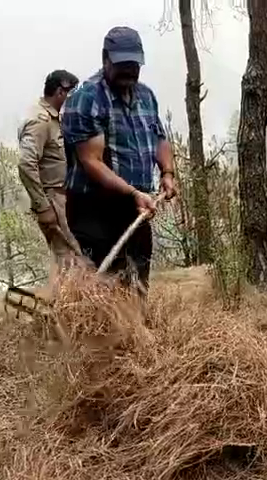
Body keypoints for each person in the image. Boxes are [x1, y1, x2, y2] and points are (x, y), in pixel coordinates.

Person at [61, 26, 177, 292]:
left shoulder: (146, 96)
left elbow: (159, 137)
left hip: (135, 205)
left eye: (134, 64)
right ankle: (102, 332)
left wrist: (167, 173)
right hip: (94, 209)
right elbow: (91, 161)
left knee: (138, 271)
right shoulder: (86, 98)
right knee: (104, 282)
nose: (129, 71)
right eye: (122, 64)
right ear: (105, 59)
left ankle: (134, 327)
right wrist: (132, 192)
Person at [17, 69, 82, 266]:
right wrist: (43, 206)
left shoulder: (53, 116)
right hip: (53, 198)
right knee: (69, 257)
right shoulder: (40, 120)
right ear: (60, 92)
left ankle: (68, 295)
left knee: (72, 255)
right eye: (71, 92)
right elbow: (26, 164)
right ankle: (67, 296)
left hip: (62, 196)